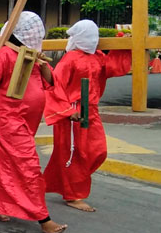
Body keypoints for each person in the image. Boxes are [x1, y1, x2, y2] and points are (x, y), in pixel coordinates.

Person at [0, 11, 67, 233]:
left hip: (24, 120)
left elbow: (51, 82)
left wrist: (42, 66)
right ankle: (44, 218)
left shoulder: (32, 55)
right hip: (4, 120)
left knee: (0, 164)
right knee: (28, 167)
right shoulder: (4, 55)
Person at [42, 20, 131, 213]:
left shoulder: (98, 56)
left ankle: (64, 183)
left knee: (98, 150)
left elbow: (113, 68)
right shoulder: (70, 59)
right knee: (75, 153)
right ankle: (73, 194)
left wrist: (124, 45)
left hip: (91, 109)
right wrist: (66, 110)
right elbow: (54, 86)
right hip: (73, 112)